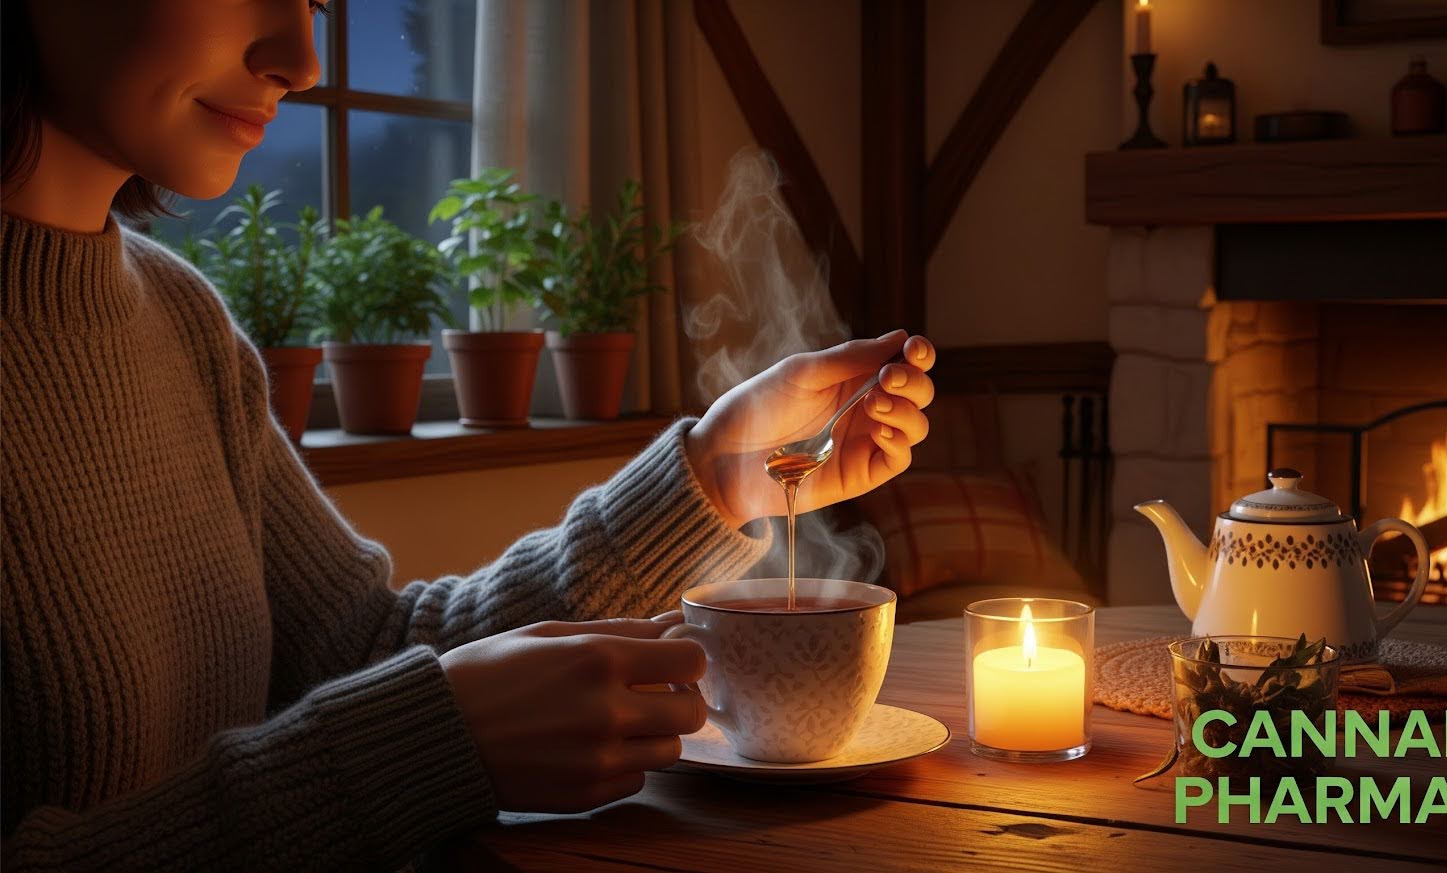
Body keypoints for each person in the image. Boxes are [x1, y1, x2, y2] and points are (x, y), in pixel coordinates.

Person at [0, 1, 937, 870]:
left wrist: (709, 481)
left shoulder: (181, 322)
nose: (303, 59)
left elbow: (364, 645)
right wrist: (426, 746)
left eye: (320, 2)